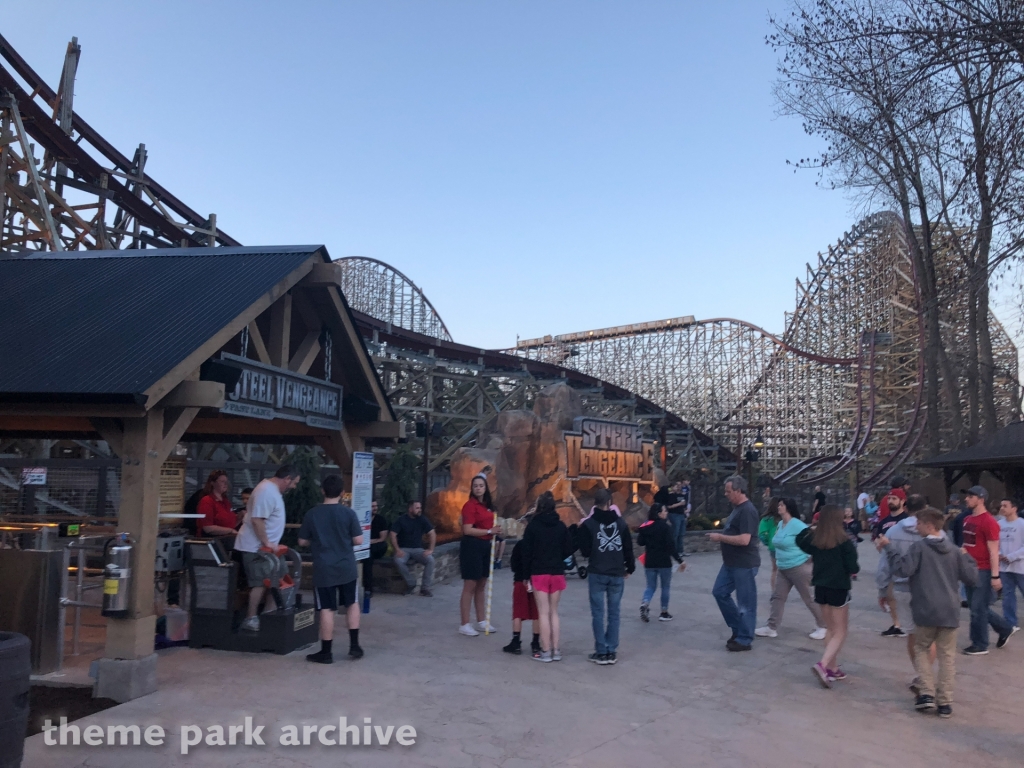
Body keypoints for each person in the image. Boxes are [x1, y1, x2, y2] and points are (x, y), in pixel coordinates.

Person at [877, 508, 978, 718]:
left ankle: (926, 693)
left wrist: (889, 548)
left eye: (920, 523)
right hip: (950, 610)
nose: (917, 527)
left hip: (925, 607)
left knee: (921, 648)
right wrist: (967, 558)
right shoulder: (953, 550)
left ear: (930, 525)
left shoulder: (919, 548)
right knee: (947, 656)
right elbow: (971, 577)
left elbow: (903, 570)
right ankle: (945, 702)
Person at [298, 474, 365, 663]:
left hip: (324, 568)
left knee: (327, 609)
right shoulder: (349, 513)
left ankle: (326, 652)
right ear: (342, 493)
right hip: (346, 566)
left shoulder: (312, 514)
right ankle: (354, 646)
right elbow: (358, 540)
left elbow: (302, 541)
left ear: (322, 491)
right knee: (352, 603)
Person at [797, 505, 860, 687]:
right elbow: (853, 568)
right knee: (840, 630)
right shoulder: (844, 543)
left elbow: (800, 538)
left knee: (830, 629)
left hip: (820, 588)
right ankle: (823, 665)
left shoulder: (816, 541)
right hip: (839, 588)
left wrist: (813, 527)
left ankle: (832, 668)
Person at [234, 465, 301, 632]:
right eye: (294, 483)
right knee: (261, 583)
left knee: (278, 580)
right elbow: (258, 520)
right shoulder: (266, 491)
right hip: (257, 548)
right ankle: (251, 618)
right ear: (287, 479)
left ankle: (268, 615)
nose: (294, 487)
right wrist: (266, 542)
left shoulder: (271, 491)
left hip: (270, 548)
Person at [875, 502, 928, 693]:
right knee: (930, 635)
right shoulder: (936, 532)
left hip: (903, 587)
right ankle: (927, 674)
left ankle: (922, 674)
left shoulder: (893, 531)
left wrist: (882, 590)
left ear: (906, 507)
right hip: (929, 589)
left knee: (913, 635)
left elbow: (884, 565)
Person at [755, 497, 826, 640]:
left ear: (788, 507)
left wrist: (811, 556)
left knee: (809, 598)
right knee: (778, 597)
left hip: (798, 567)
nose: (778, 507)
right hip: (783, 568)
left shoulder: (797, 524)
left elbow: (812, 538)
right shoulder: (781, 524)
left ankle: (823, 626)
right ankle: (771, 627)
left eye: (781, 505)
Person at [579, 487, 635, 664]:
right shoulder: (621, 523)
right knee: (614, 613)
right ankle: (611, 650)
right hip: (617, 572)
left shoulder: (589, 524)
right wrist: (630, 568)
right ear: (610, 502)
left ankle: (601, 651)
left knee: (597, 614)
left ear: (595, 503)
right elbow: (628, 548)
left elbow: (586, 552)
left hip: (597, 572)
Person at [961, 485, 1015, 654]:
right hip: (969, 567)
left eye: (971, 496)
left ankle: (980, 643)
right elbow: (968, 544)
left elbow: (993, 551)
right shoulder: (968, 520)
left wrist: (995, 576)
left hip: (983, 569)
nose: (967, 499)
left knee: (977, 609)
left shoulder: (989, 522)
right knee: (976, 606)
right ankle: (1005, 628)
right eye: (967, 496)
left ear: (981, 499)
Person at [519, 491, 573, 662]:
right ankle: (556, 650)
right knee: (554, 612)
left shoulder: (533, 526)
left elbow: (526, 552)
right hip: (556, 571)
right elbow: (568, 548)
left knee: (543, 613)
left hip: (539, 572)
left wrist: (525, 574)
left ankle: (545, 651)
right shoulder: (561, 526)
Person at [710, 475, 760, 652]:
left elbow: (745, 539)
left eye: (729, 491)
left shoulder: (747, 511)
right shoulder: (737, 509)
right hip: (731, 563)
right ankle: (738, 628)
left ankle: (744, 638)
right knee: (719, 592)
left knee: (745, 602)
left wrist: (720, 537)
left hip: (744, 564)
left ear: (739, 491)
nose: (726, 494)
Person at [459, 474, 502, 636]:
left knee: (482, 584)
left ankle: (481, 620)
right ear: (472, 488)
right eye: (475, 485)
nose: (478, 488)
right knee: (470, 585)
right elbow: (467, 529)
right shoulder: (470, 506)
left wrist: (495, 530)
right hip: (472, 546)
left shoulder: (488, 506)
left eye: (481, 485)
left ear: (485, 488)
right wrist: (489, 531)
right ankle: (464, 623)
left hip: (486, 545)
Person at [637, 503, 685, 623]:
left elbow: (640, 542)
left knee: (650, 586)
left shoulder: (645, 526)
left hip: (650, 561)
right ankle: (664, 612)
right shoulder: (665, 527)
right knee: (665, 587)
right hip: (664, 562)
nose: (666, 513)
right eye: (664, 511)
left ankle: (645, 603)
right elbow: (671, 546)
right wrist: (680, 560)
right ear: (659, 513)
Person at [389, 500, 436, 596]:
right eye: (417, 508)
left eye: (420, 508)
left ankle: (425, 588)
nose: (420, 510)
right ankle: (411, 583)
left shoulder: (422, 519)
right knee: (398, 561)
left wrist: (430, 549)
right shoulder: (401, 520)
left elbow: (432, 533)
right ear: (410, 509)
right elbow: (392, 534)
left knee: (430, 560)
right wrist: (397, 549)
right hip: (404, 549)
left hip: (418, 549)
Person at [503, 538, 541, 656]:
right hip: (536, 581)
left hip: (520, 581)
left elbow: (514, 564)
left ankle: (516, 641)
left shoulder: (520, 545)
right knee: (537, 613)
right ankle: (535, 643)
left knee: (518, 612)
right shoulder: (539, 544)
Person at [997, 498, 1024, 636]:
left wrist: (1012, 556)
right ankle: (1010, 622)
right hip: (1004, 568)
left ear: (1014, 508)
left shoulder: (1022, 524)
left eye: (1005, 505)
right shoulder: (998, 524)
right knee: (1007, 596)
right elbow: (994, 543)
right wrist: (999, 554)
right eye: (1001, 505)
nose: (1002, 508)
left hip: (1020, 567)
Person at [196, 470, 238, 538]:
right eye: (222, 481)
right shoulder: (207, 500)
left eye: (226, 482)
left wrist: (240, 517)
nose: (225, 484)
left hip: (226, 538)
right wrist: (230, 530)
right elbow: (208, 528)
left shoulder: (225, 500)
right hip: (212, 539)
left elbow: (229, 523)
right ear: (213, 483)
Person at [361, 501, 390, 598]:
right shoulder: (362, 519)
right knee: (367, 557)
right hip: (366, 548)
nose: (375, 508)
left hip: (378, 547)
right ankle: (368, 588)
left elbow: (382, 538)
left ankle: (368, 588)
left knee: (369, 553)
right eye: (372, 506)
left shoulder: (380, 520)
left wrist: (368, 541)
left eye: (376, 506)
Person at [654, 481, 688, 559]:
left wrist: (685, 512)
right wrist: (679, 504)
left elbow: (685, 505)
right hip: (674, 515)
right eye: (677, 485)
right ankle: (674, 551)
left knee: (681, 534)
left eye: (680, 485)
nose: (678, 487)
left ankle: (681, 551)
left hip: (682, 514)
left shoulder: (682, 495)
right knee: (675, 533)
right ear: (672, 486)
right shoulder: (670, 495)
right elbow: (669, 506)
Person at [758, 498, 780, 590]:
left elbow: (762, 534)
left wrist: (768, 542)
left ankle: (774, 592)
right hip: (784, 546)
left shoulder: (766, 519)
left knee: (775, 569)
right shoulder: (782, 518)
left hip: (773, 546)